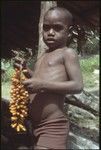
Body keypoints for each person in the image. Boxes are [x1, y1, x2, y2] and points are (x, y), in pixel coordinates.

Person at [14, 7, 83, 149]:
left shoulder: (67, 53)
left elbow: (77, 86)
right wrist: (27, 71)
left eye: (57, 28)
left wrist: (42, 84)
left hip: (53, 125)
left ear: (69, 32)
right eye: (46, 28)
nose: (50, 33)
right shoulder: (42, 56)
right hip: (35, 124)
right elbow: (39, 80)